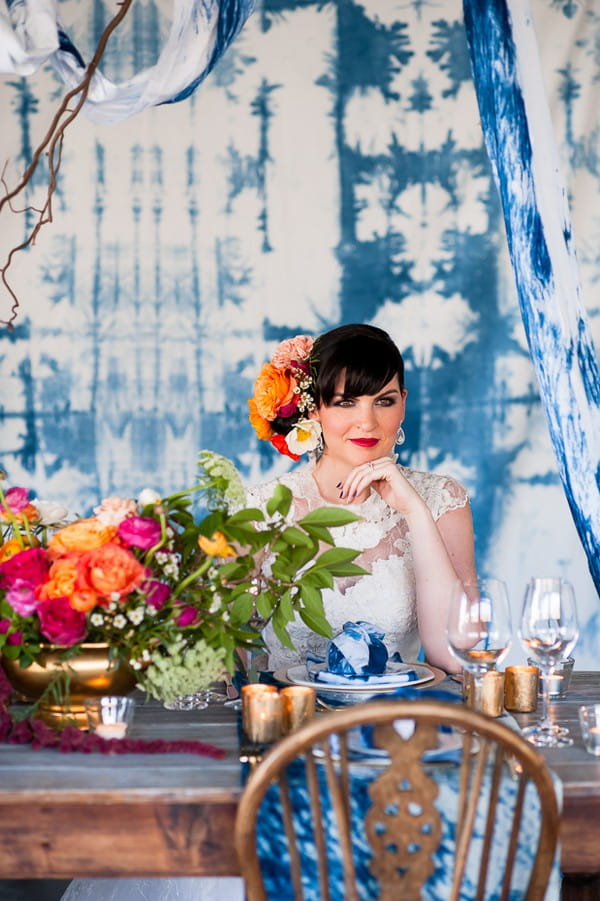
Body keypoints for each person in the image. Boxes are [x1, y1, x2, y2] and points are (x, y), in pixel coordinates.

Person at [247, 323, 477, 673]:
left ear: (403, 403)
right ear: (314, 410)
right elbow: (218, 643)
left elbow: (453, 656)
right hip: (292, 721)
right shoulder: (261, 509)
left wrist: (415, 512)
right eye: (346, 402)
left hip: (399, 721)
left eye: (384, 401)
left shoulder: (442, 499)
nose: (367, 422)